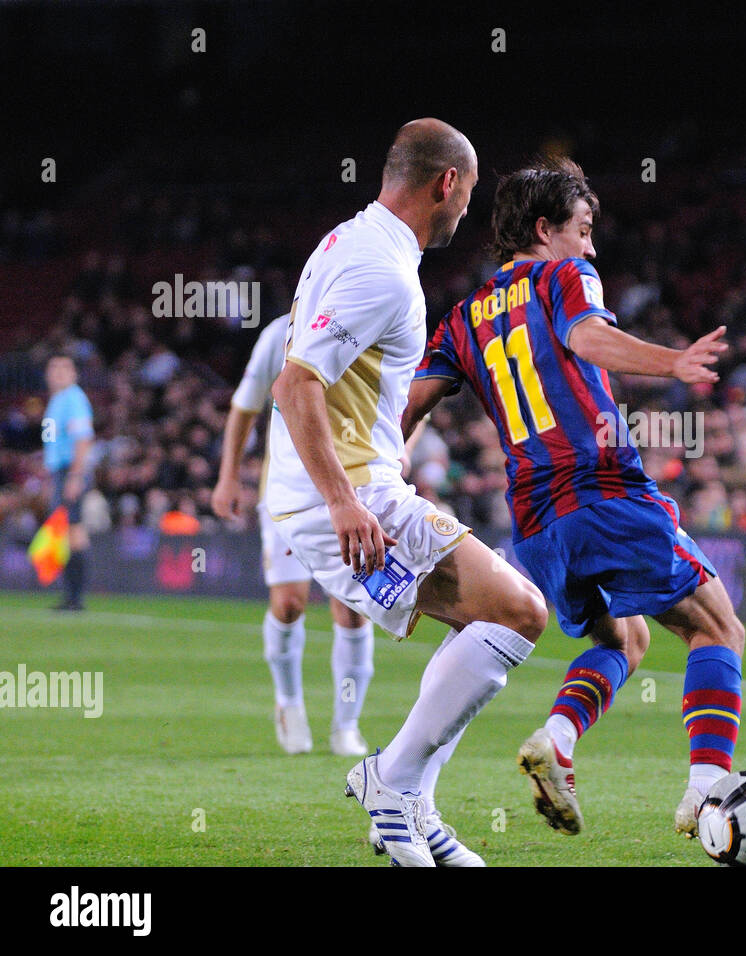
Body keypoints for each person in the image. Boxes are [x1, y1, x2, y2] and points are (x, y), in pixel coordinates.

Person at [402, 157, 743, 839]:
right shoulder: (563, 276)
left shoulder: (463, 318)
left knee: (629, 636)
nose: (591, 247)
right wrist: (671, 361)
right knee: (716, 628)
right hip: (602, 489)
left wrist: (377, 493)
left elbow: (404, 413)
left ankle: (557, 738)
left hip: (535, 522)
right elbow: (586, 335)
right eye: (583, 229)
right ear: (544, 228)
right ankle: (708, 791)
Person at [267, 119, 547, 868]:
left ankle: (411, 801)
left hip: (347, 483)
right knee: (520, 612)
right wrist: (343, 500)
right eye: (470, 192)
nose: (469, 212)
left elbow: (340, 384)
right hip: (345, 495)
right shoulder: (381, 270)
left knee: (478, 626)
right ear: (445, 183)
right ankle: (391, 782)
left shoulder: (349, 240)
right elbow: (294, 384)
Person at [213, 312, 377, 759]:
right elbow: (245, 406)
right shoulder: (280, 333)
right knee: (289, 605)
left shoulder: (369, 318)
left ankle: (346, 725)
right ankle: (289, 704)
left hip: (355, 488)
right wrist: (228, 477)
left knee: (354, 611)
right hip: (288, 494)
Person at [42, 354, 94, 611]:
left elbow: (82, 439)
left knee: (73, 530)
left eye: (65, 368)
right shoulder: (57, 401)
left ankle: (75, 597)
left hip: (71, 470)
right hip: (60, 471)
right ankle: (71, 595)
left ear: (74, 373)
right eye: (54, 367)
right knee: (66, 531)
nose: (59, 372)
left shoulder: (73, 398)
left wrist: (75, 476)